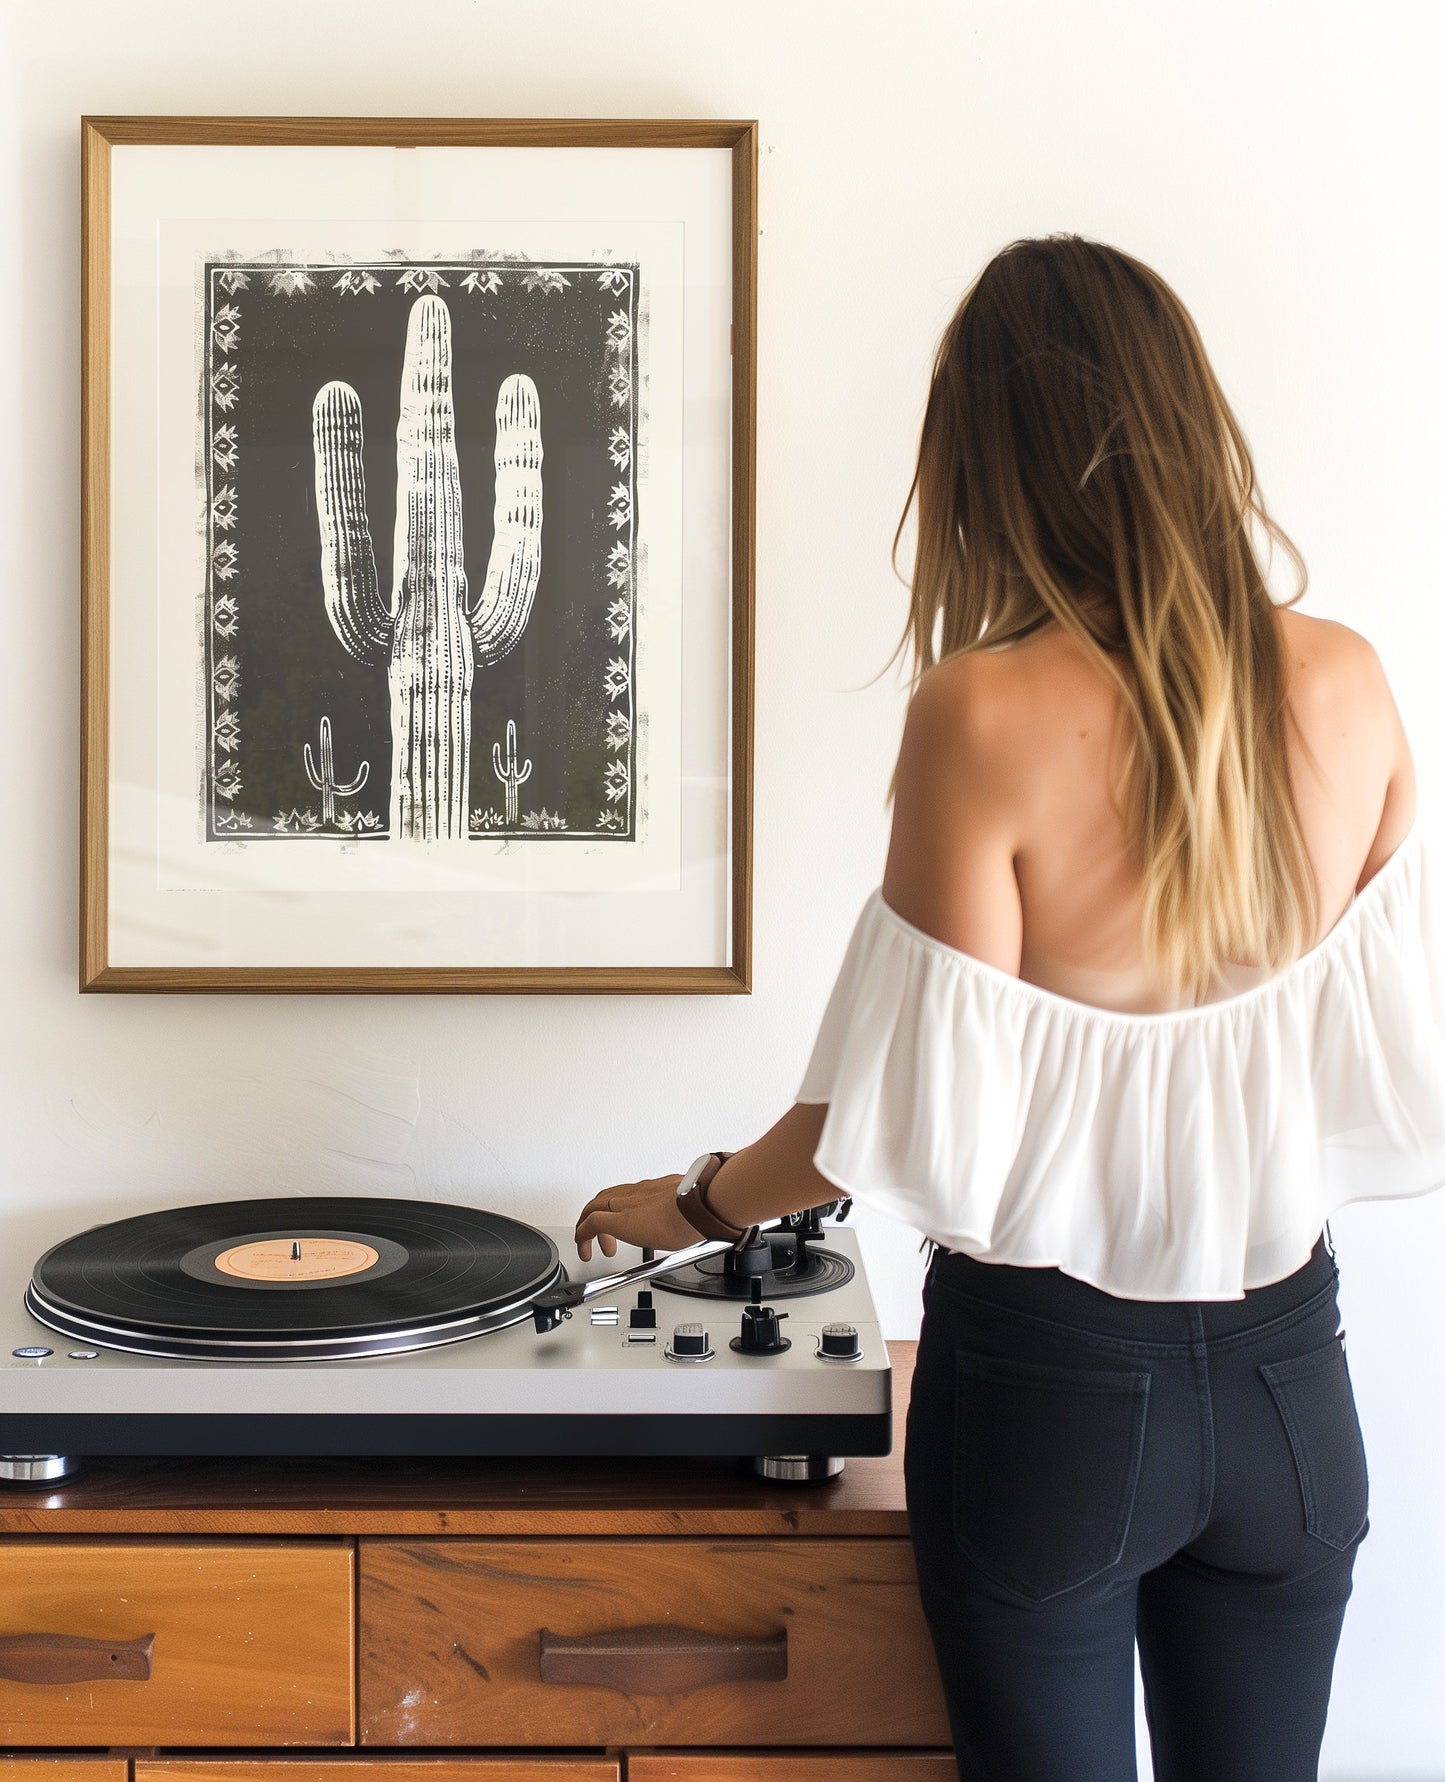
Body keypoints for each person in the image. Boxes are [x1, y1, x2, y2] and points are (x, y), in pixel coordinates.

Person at [570, 234, 1445, 1781]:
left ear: (986, 461)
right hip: (1289, 1393)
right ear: (1188, 422)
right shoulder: (1351, 685)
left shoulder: (981, 711)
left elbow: (875, 1116)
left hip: (1054, 1398)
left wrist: (690, 1200)